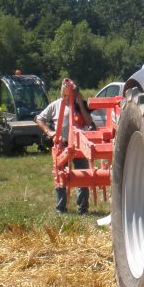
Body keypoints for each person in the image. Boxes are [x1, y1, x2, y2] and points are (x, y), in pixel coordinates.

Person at [35, 82, 94, 214]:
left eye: (74, 93)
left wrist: (79, 103)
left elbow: (89, 122)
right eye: (69, 93)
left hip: (80, 145)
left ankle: (82, 208)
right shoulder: (56, 105)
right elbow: (39, 119)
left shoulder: (81, 107)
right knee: (60, 175)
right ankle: (61, 208)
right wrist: (49, 132)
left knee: (83, 175)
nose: (70, 96)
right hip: (62, 145)